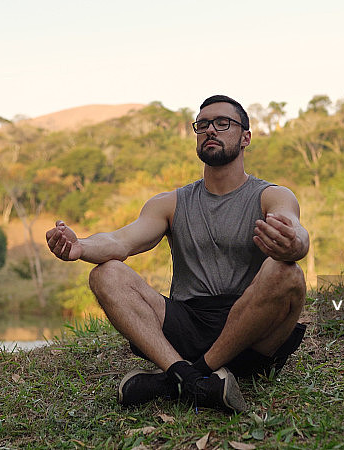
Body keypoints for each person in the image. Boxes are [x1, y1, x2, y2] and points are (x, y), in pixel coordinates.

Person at [46, 95, 308, 413]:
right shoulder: (170, 203)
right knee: (105, 272)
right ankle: (193, 377)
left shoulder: (272, 196)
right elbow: (121, 241)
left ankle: (179, 378)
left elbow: (296, 232)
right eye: (203, 124)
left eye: (223, 123)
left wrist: (293, 243)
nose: (210, 130)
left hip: (252, 331)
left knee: (287, 272)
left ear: (245, 138)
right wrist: (81, 246)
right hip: (188, 324)